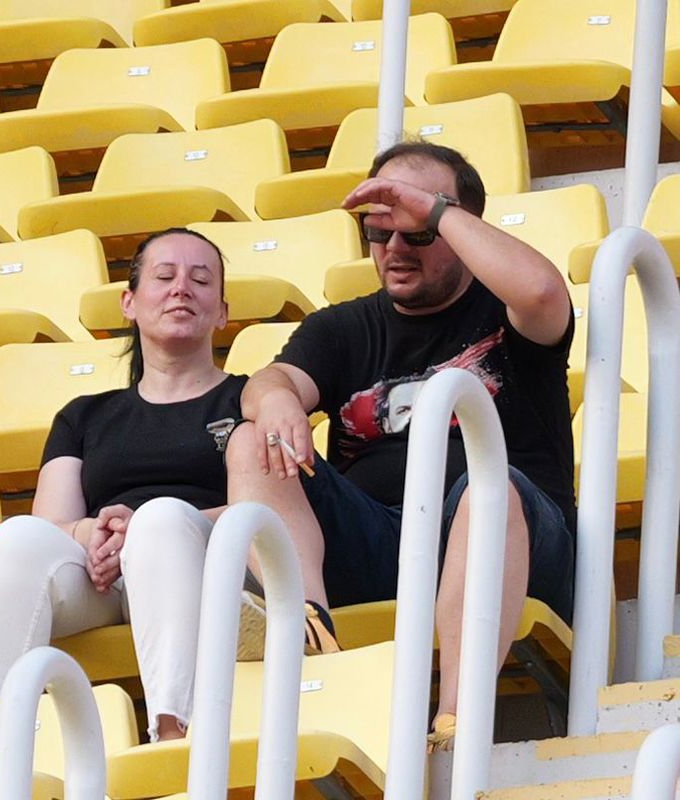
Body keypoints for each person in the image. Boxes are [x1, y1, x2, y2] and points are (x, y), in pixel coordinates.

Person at [226, 141, 576, 749]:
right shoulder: (342, 326)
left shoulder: (506, 309)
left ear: (462, 228)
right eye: (377, 231)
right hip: (380, 540)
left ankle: (455, 722)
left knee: (486, 491)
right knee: (251, 443)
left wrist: (435, 210)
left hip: (508, 537)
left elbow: (546, 294)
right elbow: (272, 382)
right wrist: (276, 397)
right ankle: (311, 633)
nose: (392, 249)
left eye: (416, 233)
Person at [0, 227, 288, 743]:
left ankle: (176, 738)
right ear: (129, 303)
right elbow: (50, 526)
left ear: (222, 312)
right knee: (15, 538)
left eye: (200, 280)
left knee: (160, 518)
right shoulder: (84, 416)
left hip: (214, 565)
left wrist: (145, 525)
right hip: (107, 574)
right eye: (164, 277)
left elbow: (271, 509)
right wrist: (98, 532)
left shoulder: (248, 399)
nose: (181, 288)